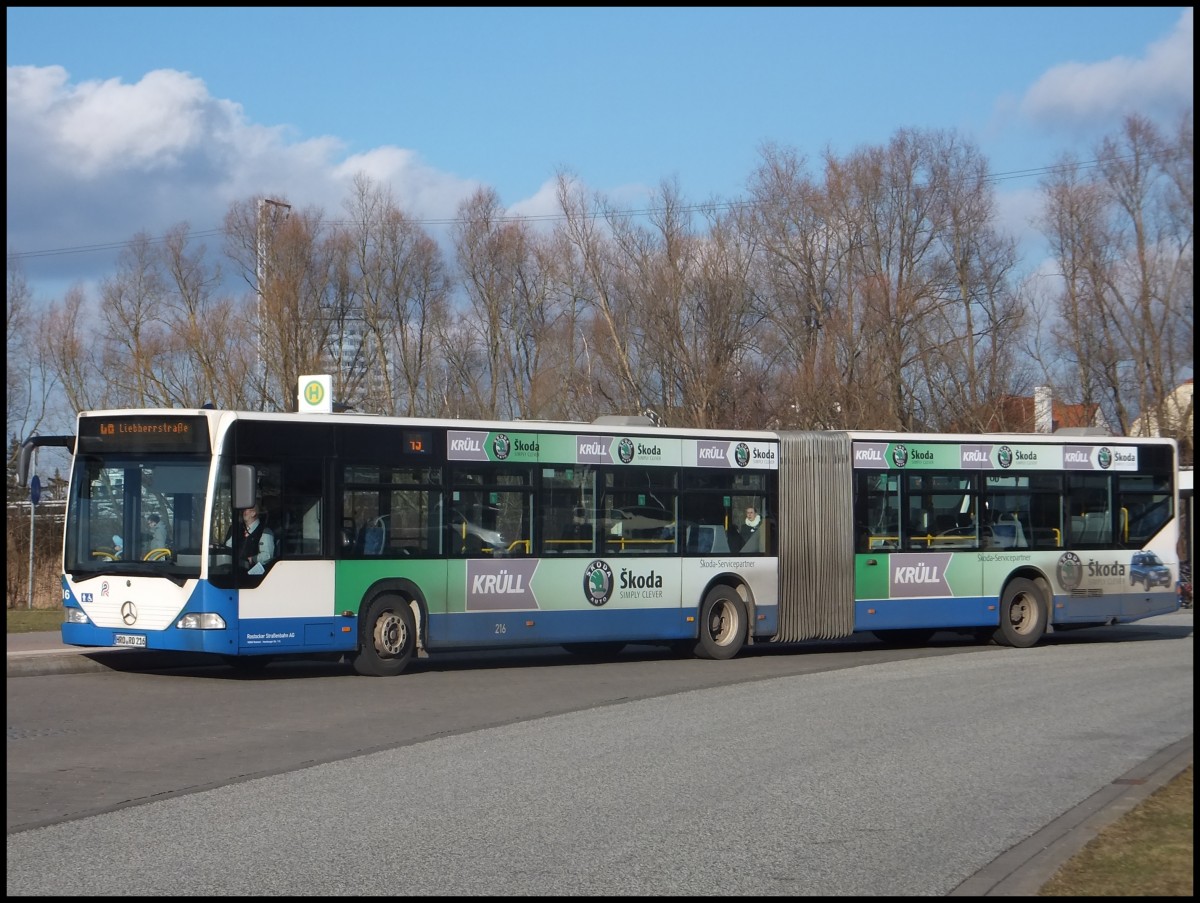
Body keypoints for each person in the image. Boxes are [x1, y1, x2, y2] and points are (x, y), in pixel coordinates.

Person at [225, 502, 275, 574]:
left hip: (254, 577)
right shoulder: (237, 530)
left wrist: (252, 559)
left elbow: (267, 555)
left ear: (253, 513)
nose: (243, 512)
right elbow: (228, 546)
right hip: (235, 573)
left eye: (246, 510)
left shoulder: (265, 531)